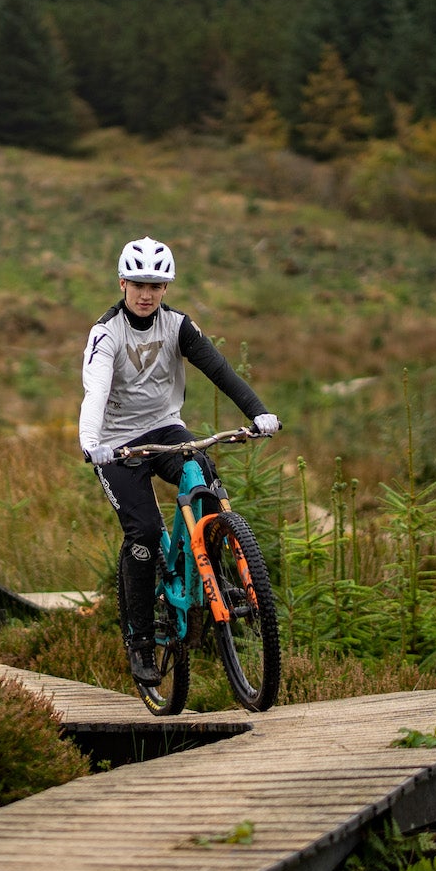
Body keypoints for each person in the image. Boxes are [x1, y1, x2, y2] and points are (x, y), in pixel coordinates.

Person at [80, 236, 280, 686]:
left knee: (202, 475)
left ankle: (210, 562)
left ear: (166, 288)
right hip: (116, 443)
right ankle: (141, 640)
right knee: (145, 532)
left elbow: (218, 367)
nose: (146, 294)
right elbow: (96, 390)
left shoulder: (177, 325)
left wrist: (258, 412)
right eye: (138, 284)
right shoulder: (107, 332)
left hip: (165, 427)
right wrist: (91, 441)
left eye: (156, 285)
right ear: (122, 283)